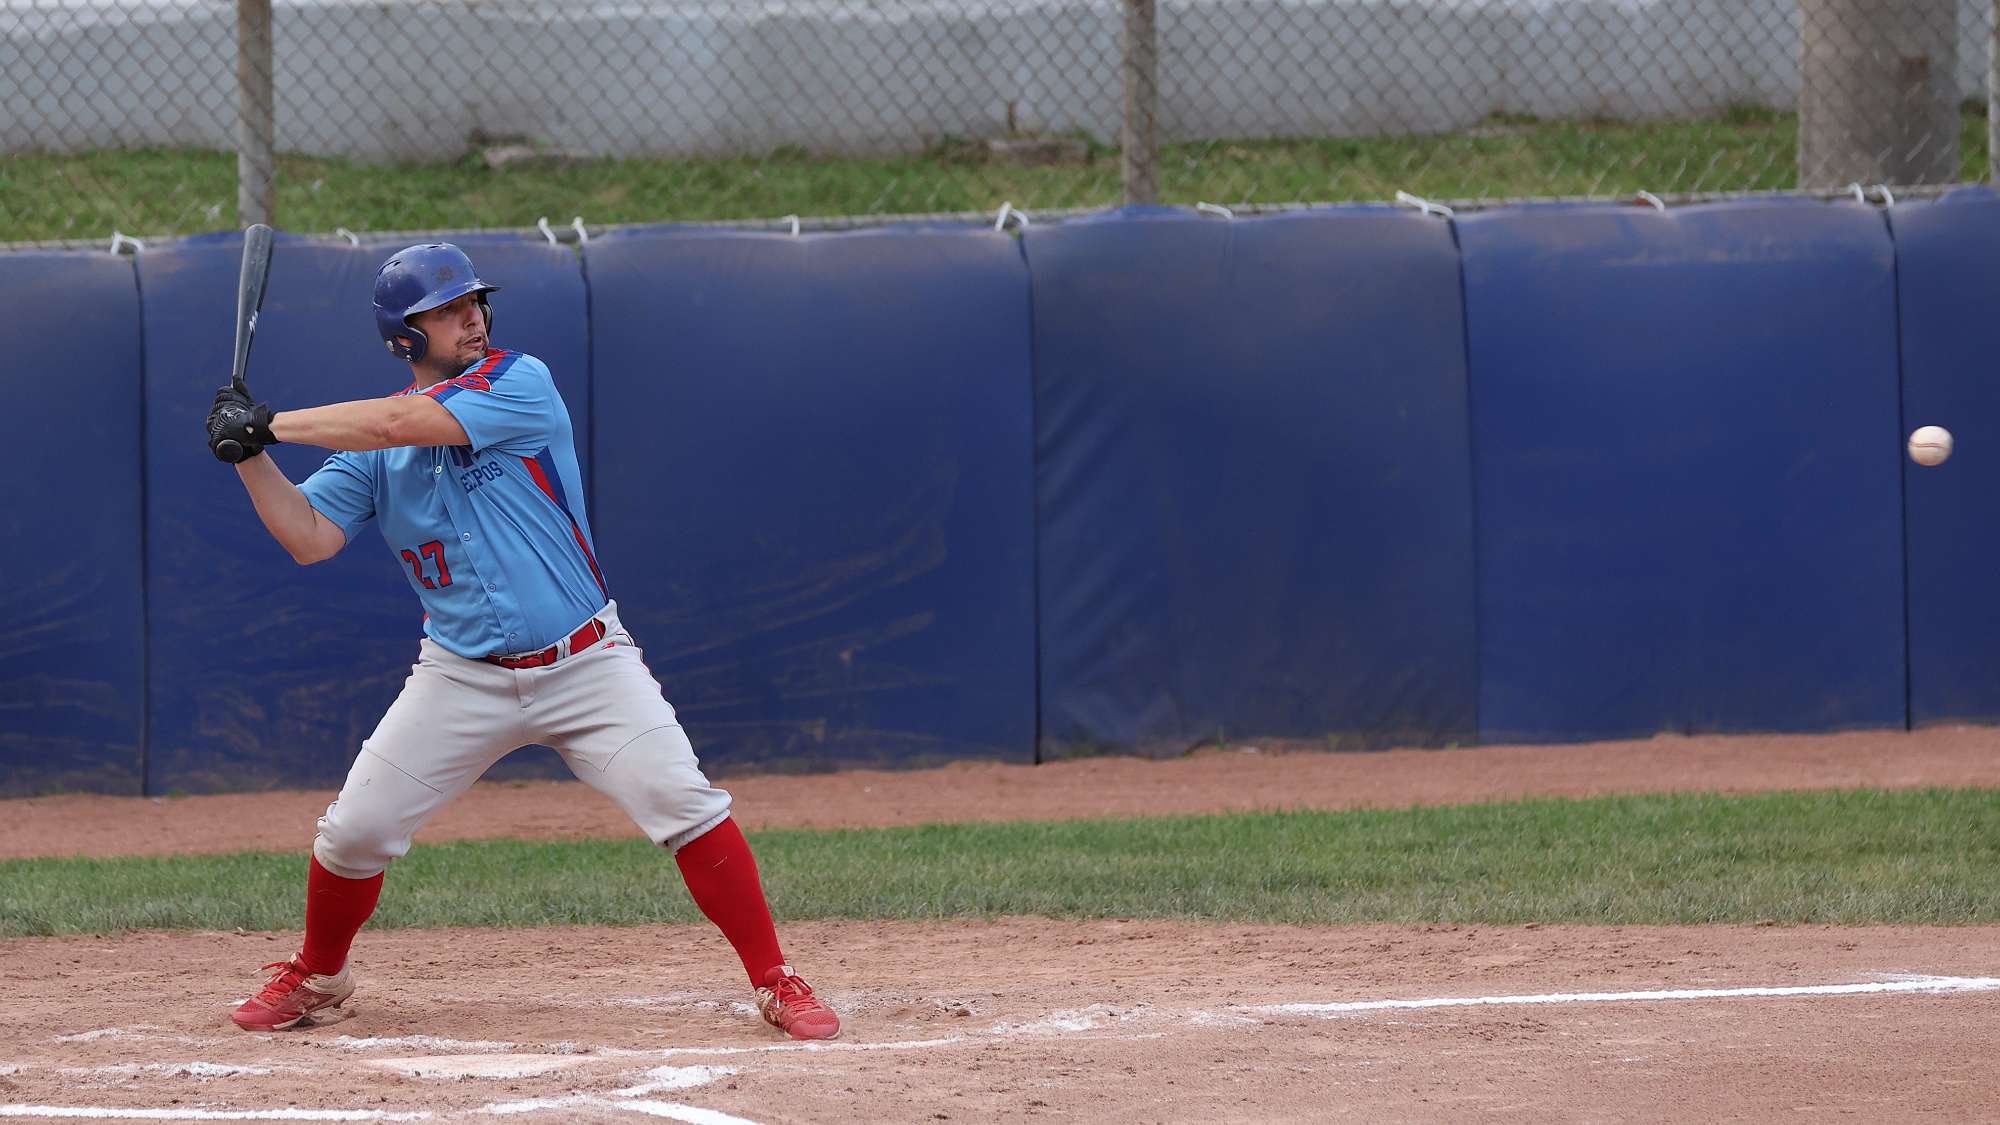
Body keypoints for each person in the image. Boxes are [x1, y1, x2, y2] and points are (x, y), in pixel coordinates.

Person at [203, 242, 838, 1041]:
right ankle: (321, 974)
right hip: (460, 675)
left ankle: (776, 978)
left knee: (684, 801)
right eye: (446, 310)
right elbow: (307, 536)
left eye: (473, 302)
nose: (471, 317)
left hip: (586, 661)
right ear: (405, 336)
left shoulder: (518, 382)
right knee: (353, 830)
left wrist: (268, 421)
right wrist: (248, 454)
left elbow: (399, 420)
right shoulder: (377, 455)